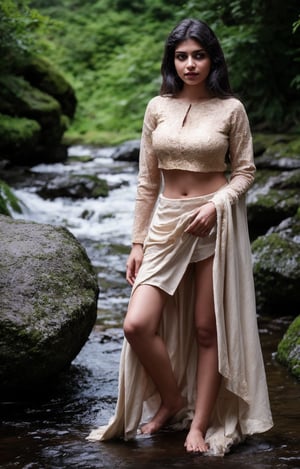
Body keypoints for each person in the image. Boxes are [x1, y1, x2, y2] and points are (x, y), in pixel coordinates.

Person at [87, 18, 273, 456]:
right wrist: (138, 243)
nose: (190, 64)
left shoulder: (231, 109)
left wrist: (215, 205)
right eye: (182, 56)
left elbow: (245, 172)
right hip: (166, 224)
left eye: (199, 55)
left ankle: (201, 422)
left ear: (213, 59)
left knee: (207, 329)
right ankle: (172, 400)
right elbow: (147, 183)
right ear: (172, 60)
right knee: (136, 324)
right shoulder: (157, 107)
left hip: (212, 225)